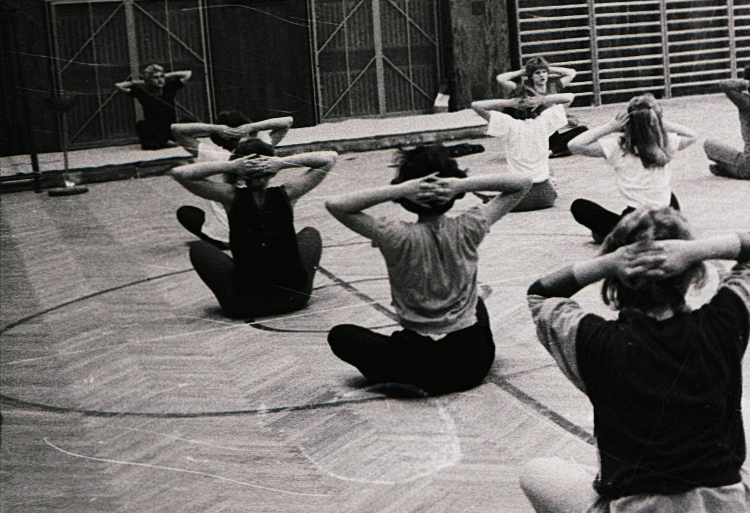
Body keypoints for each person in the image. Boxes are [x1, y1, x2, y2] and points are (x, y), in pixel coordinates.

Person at [521, 209, 750, 513]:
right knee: (744, 410)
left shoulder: (592, 339)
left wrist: (609, 261)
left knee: (536, 471)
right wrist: (695, 250)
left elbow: (541, 293)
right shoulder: (724, 322)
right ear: (690, 274)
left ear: (616, 278)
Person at [324, 145, 530, 395]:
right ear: (452, 196)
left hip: (414, 358)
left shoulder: (394, 234)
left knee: (342, 335)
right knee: (476, 303)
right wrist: (459, 185)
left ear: (407, 200)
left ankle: (406, 376)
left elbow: (335, 204)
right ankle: (435, 370)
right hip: (471, 363)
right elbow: (522, 182)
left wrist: (401, 189)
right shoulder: (470, 226)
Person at [169, 140, 337, 319]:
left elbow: (179, 173)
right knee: (310, 233)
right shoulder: (288, 193)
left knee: (199, 248)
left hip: (244, 305)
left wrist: (231, 166)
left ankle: (246, 288)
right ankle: (290, 283)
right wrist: (280, 163)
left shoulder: (230, 196)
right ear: (271, 173)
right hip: (294, 298)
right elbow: (329, 158)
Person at [569, 95, 699, 244]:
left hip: (637, 220)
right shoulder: (665, 142)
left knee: (579, 206)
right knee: (668, 194)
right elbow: (693, 135)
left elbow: (574, 145)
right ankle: (659, 232)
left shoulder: (618, 147)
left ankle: (622, 235)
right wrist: (660, 122)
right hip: (667, 219)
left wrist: (610, 127)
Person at [170, 111, 294, 246]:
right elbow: (287, 121)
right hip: (260, 230)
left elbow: (176, 129)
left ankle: (218, 237)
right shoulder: (260, 149)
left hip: (226, 234)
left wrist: (215, 129)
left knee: (186, 213)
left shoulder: (212, 155)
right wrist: (252, 126)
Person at [470, 86, 576, 211]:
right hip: (547, 196)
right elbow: (569, 97)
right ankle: (493, 199)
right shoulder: (543, 122)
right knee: (549, 173)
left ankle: (491, 200)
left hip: (520, 196)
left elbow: (476, 105)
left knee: (492, 186)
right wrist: (540, 100)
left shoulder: (508, 123)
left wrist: (509, 102)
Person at [497, 56, 587, 158]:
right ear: (531, 75)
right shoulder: (524, 89)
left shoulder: (552, 86)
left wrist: (546, 67)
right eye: (537, 73)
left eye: (544, 72)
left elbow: (571, 73)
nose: (542, 76)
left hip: (551, 132)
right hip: (535, 132)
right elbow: (501, 79)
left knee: (583, 130)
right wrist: (525, 71)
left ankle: (553, 150)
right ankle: (555, 150)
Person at [114, 64, 194, 150]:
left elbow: (188, 73)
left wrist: (166, 75)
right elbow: (119, 85)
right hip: (155, 130)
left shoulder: (169, 88)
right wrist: (143, 82)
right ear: (149, 80)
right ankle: (164, 142)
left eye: (161, 77)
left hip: (170, 129)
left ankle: (166, 142)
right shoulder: (143, 93)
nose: (160, 80)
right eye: (156, 78)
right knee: (141, 125)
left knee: (188, 121)